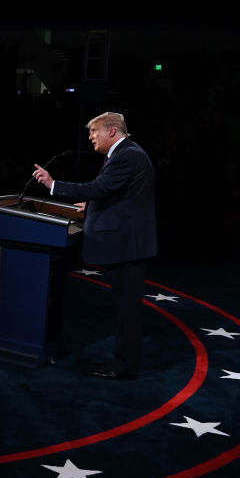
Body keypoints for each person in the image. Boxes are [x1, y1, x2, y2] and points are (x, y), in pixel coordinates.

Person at [33, 111, 157, 380]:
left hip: (129, 245)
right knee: (124, 308)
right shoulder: (127, 153)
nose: (90, 137)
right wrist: (93, 205)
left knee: (127, 310)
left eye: (93, 131)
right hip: (128, 242)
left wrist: (54, 185)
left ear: (111, 131)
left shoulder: (126, 155)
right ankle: (123, 361)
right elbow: (122, 194)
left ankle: (125, 365)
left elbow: (98, 188)